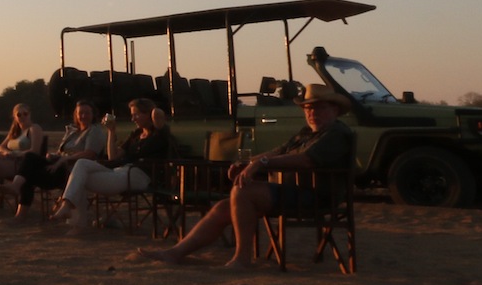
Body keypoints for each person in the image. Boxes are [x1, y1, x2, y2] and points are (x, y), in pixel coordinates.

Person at [142, 83, 356, 268]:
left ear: (335, 110)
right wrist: (248, 162)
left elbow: (307, 160)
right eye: (308, 108)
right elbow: (278, 151)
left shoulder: (336, 134)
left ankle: (242, 259)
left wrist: (261, 164)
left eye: (319, 108)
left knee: (242, 191)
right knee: (223, 207)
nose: (312, 113)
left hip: (315, 196)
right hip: (292, 192)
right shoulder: (307, 133)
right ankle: (175, 253)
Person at [51, 98, 170, 233]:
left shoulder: (160, 133)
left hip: (139, 176)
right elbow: (113, 156)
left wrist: (152, 111)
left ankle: (76, 219)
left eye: (136, 114)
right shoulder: (136, 134)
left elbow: (158, 114)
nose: (133, 119)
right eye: (132, 115)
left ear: (148, 114)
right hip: (121, 172)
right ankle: (72, 213)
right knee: (80, 168)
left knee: (79, 176)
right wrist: (111, 132)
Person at [5, 99, 110, 218]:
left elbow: (89, 154)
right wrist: (54, 155)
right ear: (76, 114)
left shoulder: (94, 131)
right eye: (80, 113)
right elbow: (61, 152)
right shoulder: (73, 131)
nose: (83, 116)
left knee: (29, 166)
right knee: (29, 167)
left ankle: (16, 192)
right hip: (57, 164)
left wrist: (64, 159)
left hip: (70, 170)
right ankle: (20, 212)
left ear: (93, 114)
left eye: (87, 113)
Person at [0, 104, 47, 215]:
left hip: (22, 164)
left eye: (25, 113)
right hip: (9, 159)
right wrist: (7, 152)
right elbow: (0, 147)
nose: (22, 116)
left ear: (30, 114)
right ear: (15, 117)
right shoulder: (15, 132)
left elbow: (35, 151)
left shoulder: (34, 128)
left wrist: (16, 154)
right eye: (19, 114)